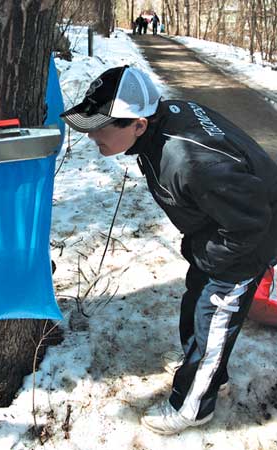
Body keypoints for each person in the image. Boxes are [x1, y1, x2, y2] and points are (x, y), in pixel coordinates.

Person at [60, 65, 277, 435]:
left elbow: (250, 221)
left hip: (249, 237)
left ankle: (193, 407)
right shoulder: (162, 123)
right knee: (196, 303)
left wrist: (216, 258)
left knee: (215, 319)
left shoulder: (189, 162)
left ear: (139, 125)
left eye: (101, 126)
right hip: (220, 227)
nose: (92, 135)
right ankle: (210, 375)